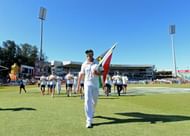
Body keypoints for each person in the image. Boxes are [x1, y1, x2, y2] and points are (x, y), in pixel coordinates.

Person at [77, 49, 103, 128]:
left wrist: (97, 73)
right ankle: (89, 120)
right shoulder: (84, 64)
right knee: (87, 100)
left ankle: (92, 111)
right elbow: (81, 75)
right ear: (86, 55)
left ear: (93, 54)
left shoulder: (98, 62)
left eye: (90, 54)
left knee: (94, 101)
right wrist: (78, 85)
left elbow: (102, 72)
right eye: (87, 54)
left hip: (95, 84)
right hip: (87, 84)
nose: (89, 56)